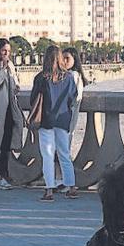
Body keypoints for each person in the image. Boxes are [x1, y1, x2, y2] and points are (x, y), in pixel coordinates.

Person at [31, 45, 79, 202]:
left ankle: (49, 189)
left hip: (46, 120)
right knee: (64, 153)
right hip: (63, 120)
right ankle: (71, 187)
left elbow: (34, 100)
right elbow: (73, 98)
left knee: (48, 155)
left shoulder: (41, 78)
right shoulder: (69, 78)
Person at [0, 38, 23, 191]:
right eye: (4, 51)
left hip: (10, 109)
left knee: (7, 145)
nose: (6, 54)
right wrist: (3, 71)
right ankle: (2, 175)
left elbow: (14, 83)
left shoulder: (11, 66)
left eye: (8, 51)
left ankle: (4, 175)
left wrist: (16, 85)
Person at [62, 47, 88, 142]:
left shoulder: (73, 75)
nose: (64, 61)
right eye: (62, 58)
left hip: (66, 116)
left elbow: (74, 97)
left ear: (75, 59)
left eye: (67, 58)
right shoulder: (70, 75)